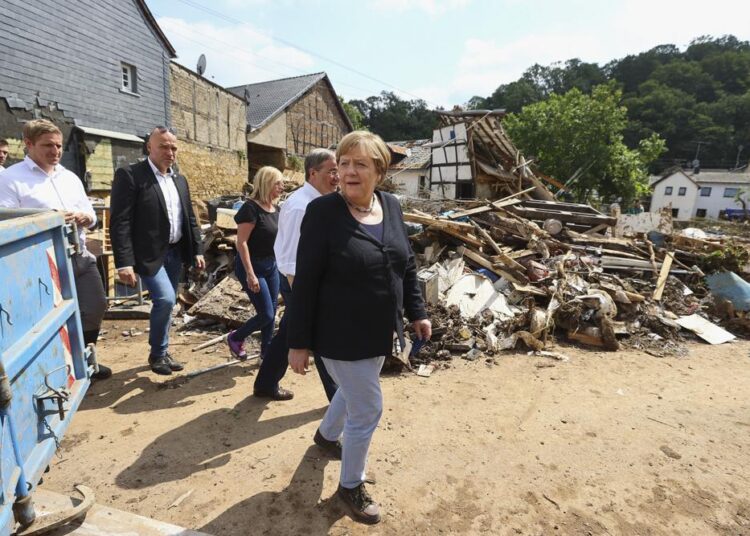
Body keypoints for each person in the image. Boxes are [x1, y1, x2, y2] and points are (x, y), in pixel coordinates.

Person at [287, 131, 431, 524]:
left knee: (353, 390)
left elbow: (407, 265)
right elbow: (307, 280)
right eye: (342, 164)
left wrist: (418, 311)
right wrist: (297, 341)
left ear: (379, 172)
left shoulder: (392, 207)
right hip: (337, 332)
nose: (347, 172)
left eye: (359, 164)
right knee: (368, 405)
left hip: (378, 331)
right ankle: (350, 485)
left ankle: (325, 436)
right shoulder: (322, 214)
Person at [0, 120, 111, 379]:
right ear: (28, 144)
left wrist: (85, 217)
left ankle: (82, 358)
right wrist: (49, 218)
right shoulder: (11, 178)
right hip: (40, 264)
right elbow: (6, 221)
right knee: (47, 319)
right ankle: (56, 367)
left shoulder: (69, 177)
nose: (56, 151)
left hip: (79, 255)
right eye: (48, 145)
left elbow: (92, 215)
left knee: (95, 306)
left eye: (59, 145)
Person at [110, 126, 205, 376]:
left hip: (175, 253)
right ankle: (157, 353)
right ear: (149, 147)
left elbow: (190, 218)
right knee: (165, 300)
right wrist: (124, 262)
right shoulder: (130, 175)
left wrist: (197, 250)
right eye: (163, 146)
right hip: (149, 255)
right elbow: (120, 221)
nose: (169, 152)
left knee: (168, 303)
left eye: (173, 147)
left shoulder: (179, 179)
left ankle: (162, 351)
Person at [255, 149, 340, 403]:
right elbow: (292, 257)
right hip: (299, 282)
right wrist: (302, 296)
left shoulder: (320, 201)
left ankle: (265, 382)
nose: (337, 177)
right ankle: (338, 401)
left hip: (307, 282)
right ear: (313, 173)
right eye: (332, 171)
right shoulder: (302, 206)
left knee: (290, 331)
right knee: (320, 335)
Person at [226, 166, 286, 399]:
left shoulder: (277, 209)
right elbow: (241, 243)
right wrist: (250, 274)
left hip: (272, 265)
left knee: (272, 311)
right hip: (253, 266)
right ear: (267, 183)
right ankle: (236, 337)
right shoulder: (250, 209)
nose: (282, 187)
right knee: (267, 314)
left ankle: (266, 354)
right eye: (278, 183)